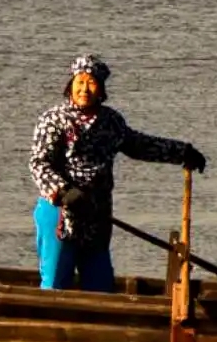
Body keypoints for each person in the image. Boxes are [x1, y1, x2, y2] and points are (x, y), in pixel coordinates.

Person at [27, 53, 207, 292]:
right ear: (70, 86)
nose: (84, 89)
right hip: (60, 213)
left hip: (97, 215)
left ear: (101, 89)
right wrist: (62, 190)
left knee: (100, 285)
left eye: (91, 83)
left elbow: (138, 145)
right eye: (80, 82)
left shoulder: (110, 121)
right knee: (56, 283)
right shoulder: (54, 120)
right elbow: (39, 163)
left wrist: (182, 152)